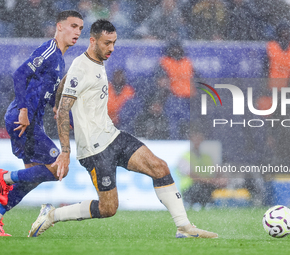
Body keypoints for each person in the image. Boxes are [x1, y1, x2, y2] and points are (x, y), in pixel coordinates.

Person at [28, 19, 217, 239]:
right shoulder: (82, 66)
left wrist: (57, 100)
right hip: (94, 149)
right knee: (108, 209)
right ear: (93, 40)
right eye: (107, 43)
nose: (111, 48)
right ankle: (52, 215)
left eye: (114, 43)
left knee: (160, 167)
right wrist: (65, 151)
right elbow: (63, 112)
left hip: (113, 136)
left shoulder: (94, 62)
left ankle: (184, 227)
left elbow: (65, 82)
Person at [0, 10, 83, 237]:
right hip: (23, 119)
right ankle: (4, 177)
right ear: (59, 27)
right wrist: (24, 110)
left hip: (31, 121)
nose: (77, 32)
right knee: (58, 167)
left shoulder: (60, 59)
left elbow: (41, 91)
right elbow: (19, 74)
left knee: (32, 177)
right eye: (73, 26)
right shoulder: (49, 50)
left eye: (80, 29)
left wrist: (57, 109)